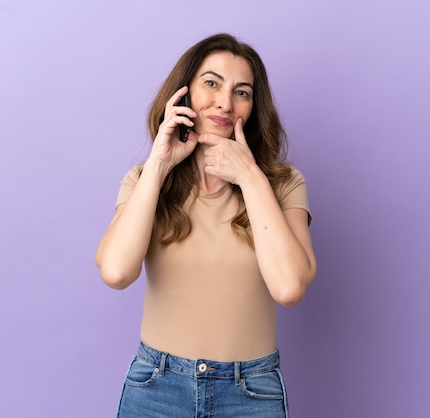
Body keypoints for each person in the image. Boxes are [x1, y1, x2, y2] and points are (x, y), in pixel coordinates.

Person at [95, 33, 317, 417]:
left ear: (253, 107)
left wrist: (250, 176)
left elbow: (289, 287)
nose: (225, 102)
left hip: (251, 394)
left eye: (242, 92)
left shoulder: (282, 185)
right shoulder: (144, 181)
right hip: (156, 389)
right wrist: (159, 165)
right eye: (211, 83)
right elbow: (115, 272)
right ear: (184, 94)